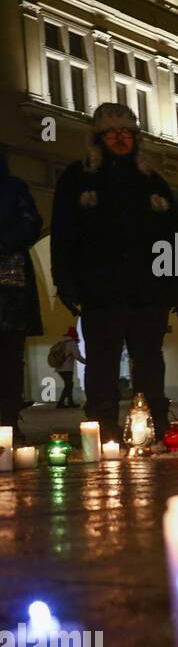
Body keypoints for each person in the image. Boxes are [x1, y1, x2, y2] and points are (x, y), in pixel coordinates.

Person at [50, 103, 178, 441]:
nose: (121, 138)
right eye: (112, 132)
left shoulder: (153, 182)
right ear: (98, 138)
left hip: (149, 291)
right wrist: (65, 282)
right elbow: (63, 234)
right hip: (101, 291)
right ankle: (103, 425)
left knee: (150, 362)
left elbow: (174, 236)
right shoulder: (77, 178)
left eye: (127, 132)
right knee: (101, 362)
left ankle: (155, 420)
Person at [0, 143, 43, 437]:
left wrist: (3, 244)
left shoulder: (13, 188)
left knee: (9, 356)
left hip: (8, 287)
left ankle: (7, 421)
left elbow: (32, 223)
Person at [52, 326, 83, 407]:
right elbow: (77, 356)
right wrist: (87, 362)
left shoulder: (62, 341)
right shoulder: (72, 343)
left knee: (69, 384)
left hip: (59, 367)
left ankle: (70, 402)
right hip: (67, 368)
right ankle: (61, 403)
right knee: (69, 384)